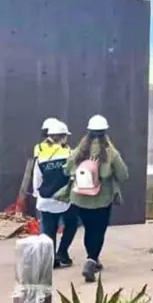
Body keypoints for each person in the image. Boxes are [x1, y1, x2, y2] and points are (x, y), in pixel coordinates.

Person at [63, 115, 129, 283]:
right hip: (102, 199)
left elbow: (66, 168)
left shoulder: (80, 150)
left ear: (89, 131)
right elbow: (123, 174)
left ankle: (93, 259)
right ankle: (92, 260)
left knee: (88, 229)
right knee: (98, 231)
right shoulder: (110, 152)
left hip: (80, 198)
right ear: (105, 132)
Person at [32, 120, 78, 268]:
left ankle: (50, 260)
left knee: (48, 231)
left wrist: (38, 195)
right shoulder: (70, 154)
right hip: (65, 200)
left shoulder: (41, 155)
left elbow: (37, 180)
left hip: (45, 199)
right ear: (63, 137)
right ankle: (62, 253)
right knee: (71, 224)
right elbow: (74, 176)